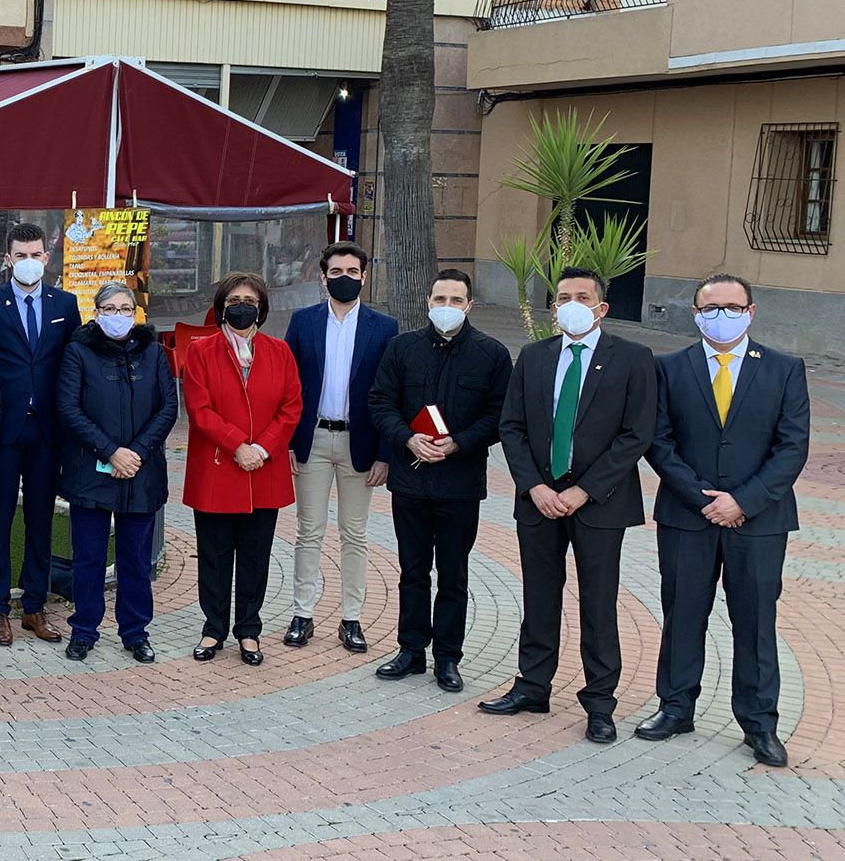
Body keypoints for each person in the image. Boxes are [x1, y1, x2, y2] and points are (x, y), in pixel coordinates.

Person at [637, 274, 809, 767]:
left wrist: (743, 501)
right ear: (695, 313)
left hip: (758, 522)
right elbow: (659, 442)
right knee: (683, 612)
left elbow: (791, 446)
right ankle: (675, 707)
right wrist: (703, 499)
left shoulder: (784, 369)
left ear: (751, 312)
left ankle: (759, 724)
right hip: (688, 518)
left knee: (755, 623)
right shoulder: (669, 368)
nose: (722, 315)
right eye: (711, 308)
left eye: (733, 307)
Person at [480, 267, 656, 744]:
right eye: (563, 297)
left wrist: (585, 490)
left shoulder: (635, 359)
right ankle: (533, 686)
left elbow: (636, 434)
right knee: (539, 596)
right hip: (539, 500)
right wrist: (533, 485)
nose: (571, 303)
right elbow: (511, 426)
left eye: (582, 296)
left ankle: (600, 702)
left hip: (600, 503)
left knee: (598, 603)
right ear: (553, 307)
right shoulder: (534, 356)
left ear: (602, 308)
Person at [369, 268, 511, 692]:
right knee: (412, 571)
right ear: (427, 302)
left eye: (454, 301)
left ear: (469, 305)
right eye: (439, 300)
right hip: (410, 482)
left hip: (460, 484)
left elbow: (501, 416)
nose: (445, 308)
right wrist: (407, 438)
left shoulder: (492, 355)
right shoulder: (402, 348)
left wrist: (458, 444)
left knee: (453, 575)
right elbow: (381, 401)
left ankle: (447, 658)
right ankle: (411, 649)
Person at [0, 222, 80, 647]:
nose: (28, 262)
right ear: (8, 258)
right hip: (3, 431)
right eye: (21, 255)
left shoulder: (65, 304)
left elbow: (73, 363)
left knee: (40, 519)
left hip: (47, 431)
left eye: (36, 255)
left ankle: (34, 606)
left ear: (46, 258)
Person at [280, 242, 398, 653]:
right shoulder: (303, 321)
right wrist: (290, 441)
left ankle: (352, 618)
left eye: (352, 271)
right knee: (308, 531)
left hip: (359, 443)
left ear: (364, 276)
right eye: (336, 271)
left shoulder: (384, 327)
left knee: (355, 534)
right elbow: (289, 386)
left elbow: (390, 393)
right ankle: (302, 614)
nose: (344, 278)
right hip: (313, 437)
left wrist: (385, 452)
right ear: (322, 276)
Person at [179, 272, 298, 666]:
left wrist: (261, 448)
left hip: (263, 470)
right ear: (221, 306)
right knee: (213, 556)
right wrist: (237, 445)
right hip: (218, 468)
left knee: (255, 555)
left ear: (261, 306)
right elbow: (199, 409)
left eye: (249, 299)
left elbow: (291, 407)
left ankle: (249, 630)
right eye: (233, 300)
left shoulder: (280, 351)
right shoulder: (201, 350)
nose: (241, 306)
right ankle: (213, 628)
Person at [56, 281, 177, 664]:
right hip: (91, 471)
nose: (118, 316)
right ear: (97, 313)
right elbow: (69, 408)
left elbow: (168, 407)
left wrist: (136, 453)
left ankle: (135, 632)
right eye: (110, 309)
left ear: (136, 313)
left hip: (141, 472)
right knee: (89, 557)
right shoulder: (78, 351)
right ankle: (84, 629)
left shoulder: (155, 353)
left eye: (126, 308)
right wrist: (110, 451)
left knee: (136, 560)